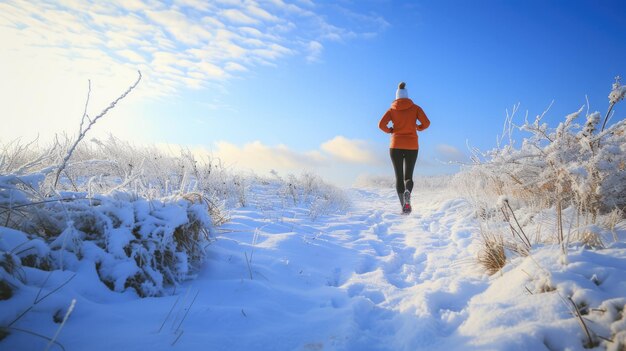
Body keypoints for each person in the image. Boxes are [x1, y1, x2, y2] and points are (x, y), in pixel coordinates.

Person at [378, 82, 430, 214]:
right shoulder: (415, 108)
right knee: (408, 177)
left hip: (395, 145)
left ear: (396, 97)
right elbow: (426, 123)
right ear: (407, 96)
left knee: (399, 177)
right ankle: (408, 192)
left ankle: (404, 206)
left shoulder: (392, 110)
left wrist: (390, 130)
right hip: (412, 145)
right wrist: (418, 127)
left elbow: (381, 125)